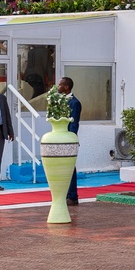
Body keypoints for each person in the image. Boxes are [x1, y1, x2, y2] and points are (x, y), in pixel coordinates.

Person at [56, 77, 82, 206]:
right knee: (62, 168)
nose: (58, 87)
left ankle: (73, 196)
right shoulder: (59, 101)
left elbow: (74, 123)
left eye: (60, 85)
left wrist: (71, 139)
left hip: (68, 139)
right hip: (59, 138)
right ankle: (64, 194)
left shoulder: (74, 103)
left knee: (70, 167)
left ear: (66, 87)